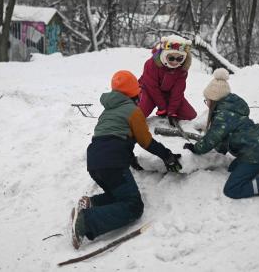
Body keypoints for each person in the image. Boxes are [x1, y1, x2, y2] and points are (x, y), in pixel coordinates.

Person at [70, 70, 183, 249]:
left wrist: (131, 160)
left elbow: (113, 138)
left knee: (119, 196)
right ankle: (87, 221)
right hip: (112, 164)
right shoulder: (133, 111)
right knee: (133, 206)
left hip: (94, 162)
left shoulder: (107, 113)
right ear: (135, 92)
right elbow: (145, 141)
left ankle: (92, 203)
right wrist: (167, 155)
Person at [183, 69, 259, 199]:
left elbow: (212, 138)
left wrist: (195, 148)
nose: (207, 103)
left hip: (254, 154)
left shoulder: (223, 116)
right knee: (232, 167)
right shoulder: (232, 109)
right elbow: (224, 137)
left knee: (232, 189)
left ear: (214, 99)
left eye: (207, 100)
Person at [138, 35, 197, 126]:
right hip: (148, 91)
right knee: (139, 114)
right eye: (171, 58)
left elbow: (178, 92)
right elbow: (152, 87)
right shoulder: (151, 64)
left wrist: (171, 112)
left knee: (190, 115)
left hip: (167, 94)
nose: (175, 62)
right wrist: (163, 108)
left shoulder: (182, 69)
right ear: (165, 55)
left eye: (179, 58)